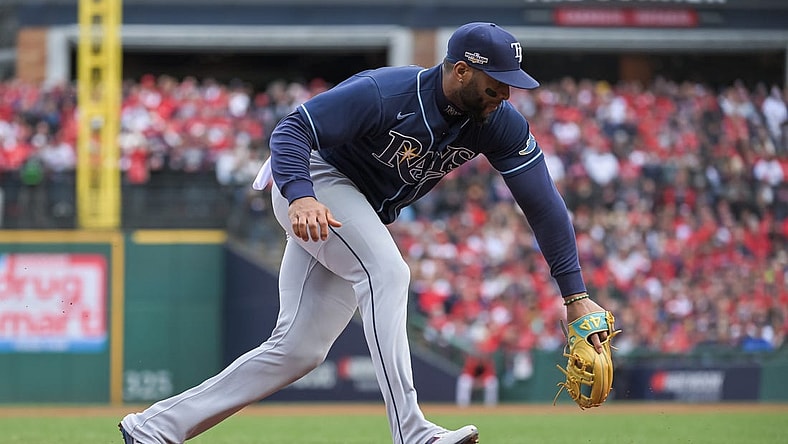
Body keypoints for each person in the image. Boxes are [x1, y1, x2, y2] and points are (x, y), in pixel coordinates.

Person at [119, 22, 612, 444]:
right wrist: (302, 195)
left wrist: (576, 295)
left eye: (510, 85)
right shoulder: (387, 92)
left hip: (354, 210)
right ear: (461, 70)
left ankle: (155, 429)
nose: (505, 94)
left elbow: (544, 205)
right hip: (312, 179)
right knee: (388, 274)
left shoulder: (496, 123)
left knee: (299, 350)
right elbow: (292, 130)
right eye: (495, 83)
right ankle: (411, 431)